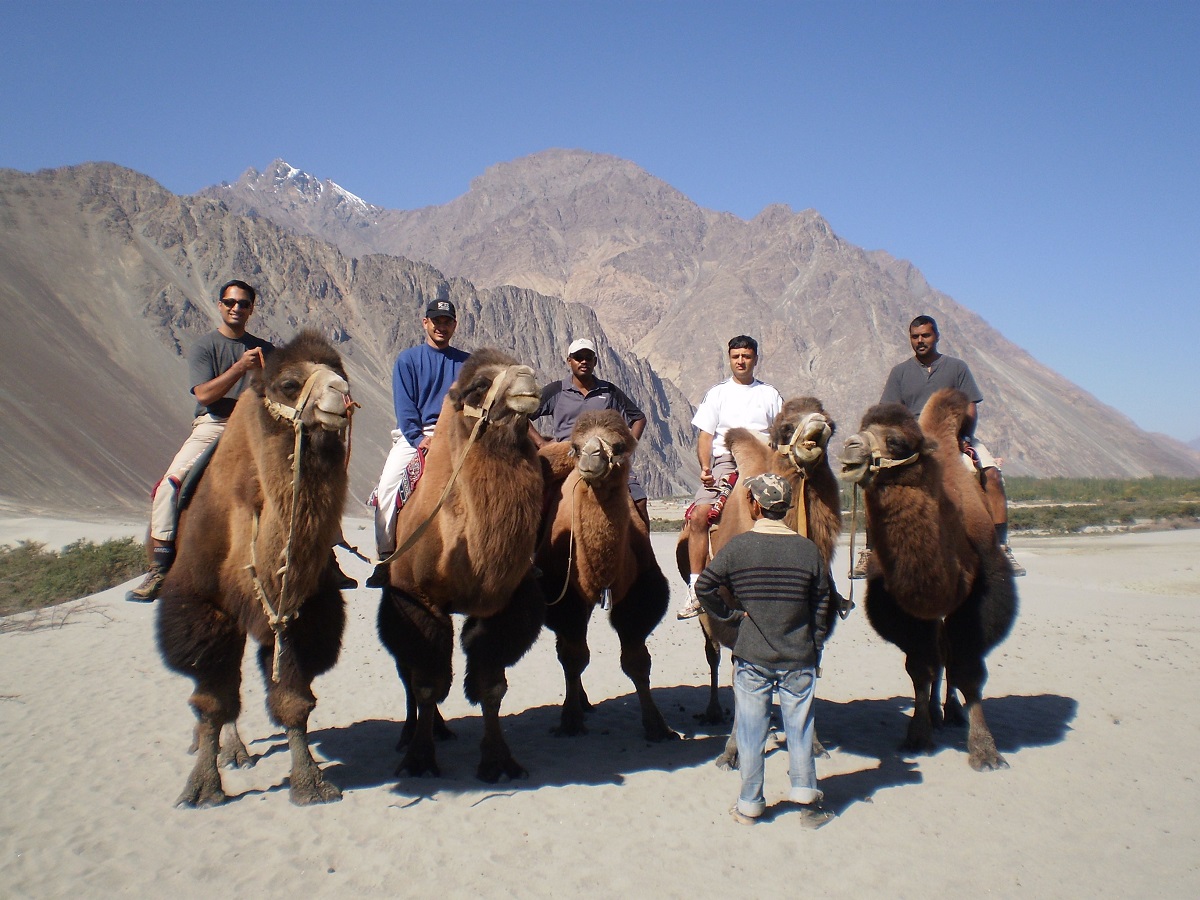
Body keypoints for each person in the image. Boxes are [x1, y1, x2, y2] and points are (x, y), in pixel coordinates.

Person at [695, 473, 834, 828]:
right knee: (800, 729)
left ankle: (750, 805)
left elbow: (705, 586)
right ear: (785, 508)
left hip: (752, 658)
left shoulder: (738, 548)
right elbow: (821, 604)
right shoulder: (809, 551)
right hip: (798, 657)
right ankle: (807, 800)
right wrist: (815, 644)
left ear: (754, 505)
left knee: (751, 732)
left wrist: (731, 618)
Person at [127, 280, 275, 602]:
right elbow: (205, 395)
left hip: (257, 427)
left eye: (244, 303)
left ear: (251, 309)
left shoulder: (267, 350)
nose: (236, 308)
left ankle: (325, 560)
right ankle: (160, 566)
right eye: (230, 302)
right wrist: (240, 367)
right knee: (170, 484)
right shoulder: (205, 347)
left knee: (305, 477)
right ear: (220, 305)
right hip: (216, 423)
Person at [851, 314, 1025, 578]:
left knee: (991, 475)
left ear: (936, 336)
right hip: (913, 440)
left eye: (926, 335)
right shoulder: (900, 372)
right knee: (874, 478)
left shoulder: (956, 367)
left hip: (953, 433)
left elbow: (970, 407)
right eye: (915, 337)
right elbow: (891, 411)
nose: (920, 341)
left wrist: (963, 436)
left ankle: (1002, 547)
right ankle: (870, 551)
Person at [367, 286, 470, 585]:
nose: (441, 327)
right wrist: (417, 438)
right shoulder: (408, 360)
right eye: (436, 321)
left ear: (455, 325)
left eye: (447, 322)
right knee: (388, 488)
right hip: (418, 434)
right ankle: (386, 556)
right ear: (425, 323)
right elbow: (405, 405)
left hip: (458, 435)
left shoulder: (468, 364)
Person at [678, 335, 783, 619]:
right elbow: (706, 435)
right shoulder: (717, 394)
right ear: (729, 359)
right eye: (736, 356)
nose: (741, 361)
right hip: (727, 463)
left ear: (755, 359)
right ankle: (695, 588)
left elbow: (781, 435)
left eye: (746, 356)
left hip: (764, 462)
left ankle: (821, 584)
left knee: (803, 507)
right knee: (699, 516)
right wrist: (705, 468)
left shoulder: (770, 395)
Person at [530, 338, 651, 524]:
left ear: (595, 361)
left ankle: (642, 544)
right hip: (567, 452)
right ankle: (535, 541)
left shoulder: (609, 391)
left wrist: (625, 450)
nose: (584, 361)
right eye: (578, 357)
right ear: (569, 361)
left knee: (638, 500)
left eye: (588, 357)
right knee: (534, 495)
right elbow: (522, 414)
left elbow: (638, 418)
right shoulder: (556, 390)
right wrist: (541, 443)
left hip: (603, 455)